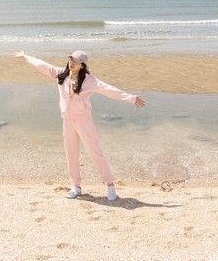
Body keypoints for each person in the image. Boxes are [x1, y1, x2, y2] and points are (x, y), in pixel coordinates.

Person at [14, 50, 146, 201]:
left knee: (95, 153)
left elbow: (109, 90)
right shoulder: (61, 74)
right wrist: (26, 56)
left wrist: (131, 98)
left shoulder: (90, 81)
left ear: (82, 65)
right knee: (71, 154)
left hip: (84, 121)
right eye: (70, 60)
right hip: (67, 121)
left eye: (75, 62)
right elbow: (43, 66)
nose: (71, 63)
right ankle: (76, 187)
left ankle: (110, 185)